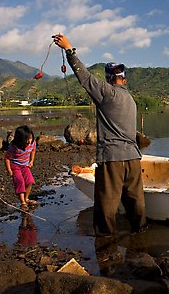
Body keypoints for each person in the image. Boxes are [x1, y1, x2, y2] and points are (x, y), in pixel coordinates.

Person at [52, 32, 146, 237]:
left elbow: (83, 77)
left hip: (113, 158)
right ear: (125, 79)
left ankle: (105, 246)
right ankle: (141, 236)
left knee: (106, 204)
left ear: (109, 78)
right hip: (133, 158)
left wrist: (69, 49)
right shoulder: (130, 99)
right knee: (135, 201)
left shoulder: (107, 92)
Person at [5, 125, 37, 211]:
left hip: (25, 165)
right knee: (20, 182)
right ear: (20, 140)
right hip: (15, 166)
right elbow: (7, 158)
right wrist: (9, 170)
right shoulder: (14, 147)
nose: (29, 141)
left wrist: (31, 161)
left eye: (31, 138)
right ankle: (22, 202)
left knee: (30, 181)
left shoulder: (32, 143)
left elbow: (33, 150)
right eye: (27, 139)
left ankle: (26, 199)